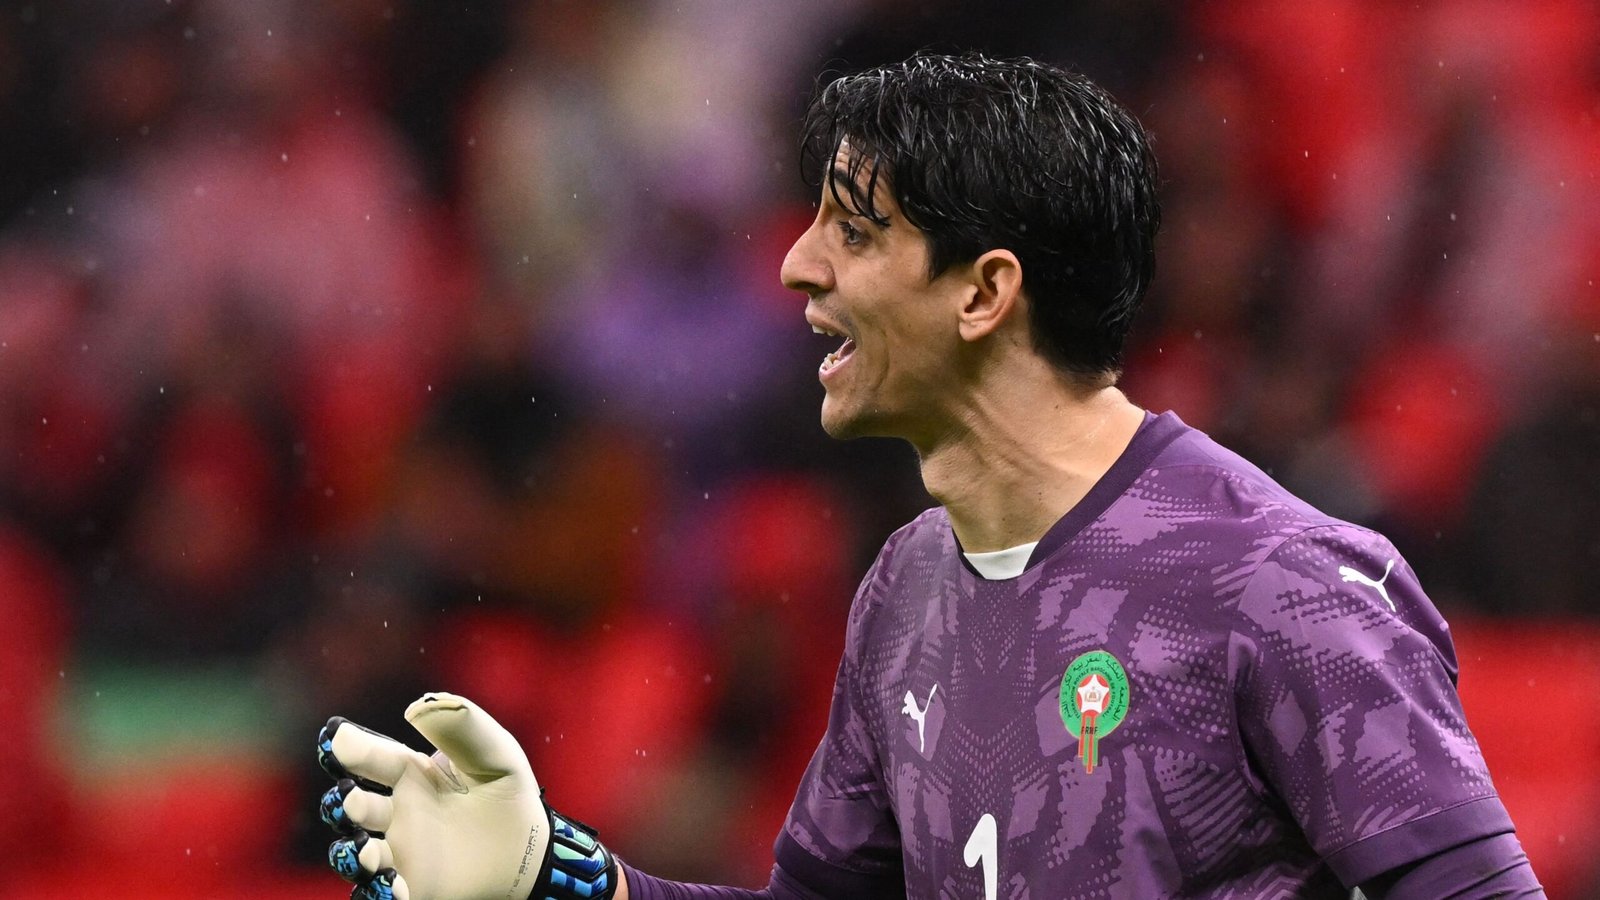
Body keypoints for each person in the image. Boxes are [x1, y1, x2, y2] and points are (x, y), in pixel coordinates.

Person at [312, 52, 1543, 900]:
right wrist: (558, 876)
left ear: (985, 290)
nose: (794, 267)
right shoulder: (905, 590)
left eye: (853, 232)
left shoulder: (1279, 585)